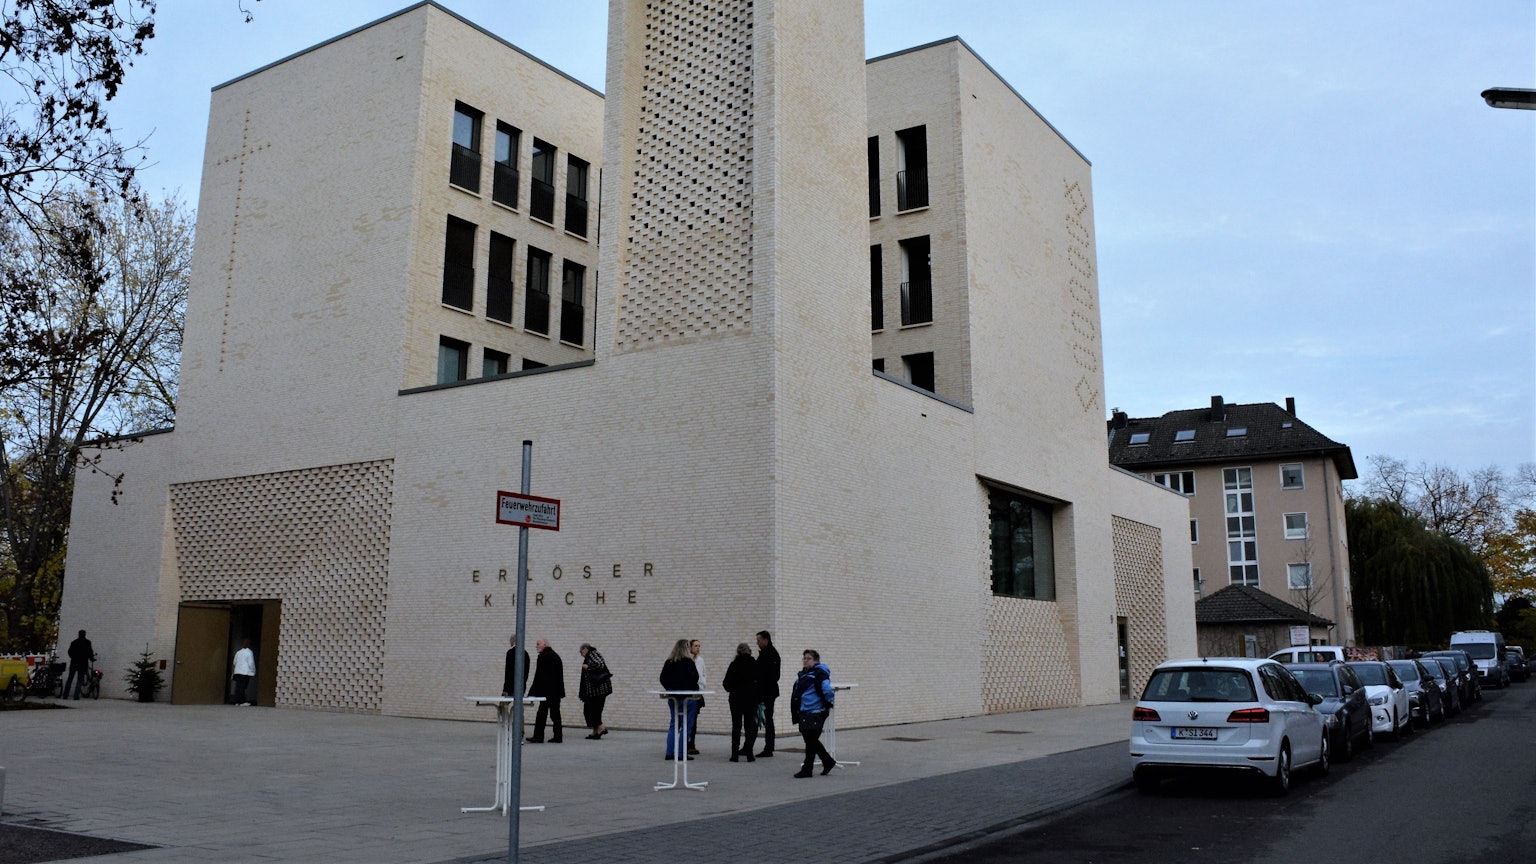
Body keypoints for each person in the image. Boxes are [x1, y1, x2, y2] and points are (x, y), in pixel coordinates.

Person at [790, 648, 836, 778]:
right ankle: (827, 761)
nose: (805, 661)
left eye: (808, 658)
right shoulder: (805, 674)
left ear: (816, 660)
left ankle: (807, 769)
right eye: (804, 658)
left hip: (815, 711)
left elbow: (827, 689)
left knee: (810, 741)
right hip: (806, 711)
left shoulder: (819, 673)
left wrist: (828, 702)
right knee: (811, 740)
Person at [659, 638, 700, 759]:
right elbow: (695, 678)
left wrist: (671, 688)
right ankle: (682, 753)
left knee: (673, 724)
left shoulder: (669, 662)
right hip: (688, 697)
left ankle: (669, 752)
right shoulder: (689, 662)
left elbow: (662, 678)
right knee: (686, 725)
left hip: (673, 697)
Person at [722, 642, 758, 762]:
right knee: (749, 726)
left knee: (736, 726)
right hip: (751, 699)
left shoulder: (734, 665)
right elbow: (759, 681)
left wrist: (734, 689)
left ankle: (734, 754)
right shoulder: (754, 664)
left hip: (736, 699)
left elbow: (726, 683)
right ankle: (749, 754)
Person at [526, 639, 565, 743]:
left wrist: (532, 693)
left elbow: (539, 676)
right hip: (556, 691)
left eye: (538, 644)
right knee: (555, 714)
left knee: (542, 714)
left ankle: (538, 736)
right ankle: (558, 736)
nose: (536, 646)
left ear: (545, 645)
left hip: (547, 692)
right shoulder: (555, 655)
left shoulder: (544, 657)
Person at [577, 642, 613, 739]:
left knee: (592, 710)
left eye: (581, 652)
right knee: (592, 710)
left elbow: (599, 664)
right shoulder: (590, 655)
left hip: (599, 690)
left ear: (585, 649)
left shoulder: (593, 654)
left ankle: (601, 727)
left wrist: (588, 667)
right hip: (594, 691)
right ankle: (596, 732)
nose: (581, 654)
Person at [755, 630, 780, 757]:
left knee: (767, 720)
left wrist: (761, 690)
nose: (757, 643)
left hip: (767, 693)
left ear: (766, 640)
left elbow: (772, 676)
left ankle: (769, 747)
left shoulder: (770, 655)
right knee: (765, 719)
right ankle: (767, 746)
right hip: (766, 692)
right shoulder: (766, 654)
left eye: (759, 641)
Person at [687, 638, 707, 755]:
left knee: (694, 720)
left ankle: (691, 744)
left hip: (697, 692)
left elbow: (703, 674)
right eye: (695, 646)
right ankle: (686, 742)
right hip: (689, 692)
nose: (698, 648)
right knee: (688, 720)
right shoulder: (688, 660)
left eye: (699, 646)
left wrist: (702, 685)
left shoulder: (700, 660)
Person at [63, 630, 94, 701]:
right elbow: (90, 652)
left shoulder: (74, 642)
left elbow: (69, 652)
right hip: (83, 663)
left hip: (74, 662)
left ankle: (65, 695)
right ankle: (76, 696)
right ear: (85, 635)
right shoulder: (87, 643)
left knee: (70, 678)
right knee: (79, 679)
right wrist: (91, 658)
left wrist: (73, 657)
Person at [232, 639, 256, 706]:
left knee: (238, 686)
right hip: (245, 672)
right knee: (243, 687)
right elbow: (251, 663)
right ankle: (242, 701)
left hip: (237, 672)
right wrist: (253, 671)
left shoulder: (238, 652)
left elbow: (234, 662)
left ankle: (237, 701)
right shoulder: (249, 652)